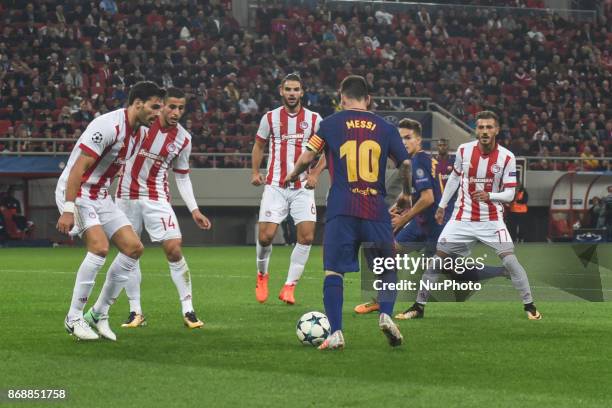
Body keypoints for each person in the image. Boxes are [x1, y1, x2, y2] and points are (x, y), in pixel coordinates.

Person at [285, 75, 412, 350]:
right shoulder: (386, 128)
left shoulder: (329, 125)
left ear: (342, 99)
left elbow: (308, 156)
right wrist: (407, 195)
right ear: (368, 99)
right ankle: (386, 314)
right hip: (375, 209)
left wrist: (292, 175)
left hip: (342, 208)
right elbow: (405, 164)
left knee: (334, 272)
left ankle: (336, 334)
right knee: (387, 268)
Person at [399, 111, 542, 320]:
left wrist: (489, 195)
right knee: (437, 262)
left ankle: (530, 307)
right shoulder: (464, 151)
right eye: (481, 127)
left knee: (510, 262)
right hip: (461, 219)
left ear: (496, 130)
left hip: (491, 220)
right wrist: (442, 205)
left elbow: (510, 194)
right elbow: (455, 179)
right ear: (476, 130)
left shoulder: (507, 157)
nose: (485, 131)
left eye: (489, 127)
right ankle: (418, 307)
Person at [353, 120, 507, 315]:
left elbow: (427, 198)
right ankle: (383, 300)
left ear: (418, 140)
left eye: (408, 138)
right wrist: (392, 211)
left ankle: (500, 271)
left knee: (455, 272)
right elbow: (407, 196)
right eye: (400, 139)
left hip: (438, 226)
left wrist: (401, 219)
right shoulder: (410, 163)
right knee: (385, 251)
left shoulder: (419, 161)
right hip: (420, 225)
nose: (403, 142)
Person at [55, 81, 165, 341]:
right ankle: (73, 317)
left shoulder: (140, 134)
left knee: (134, 248)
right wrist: (68, 209)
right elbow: (77, 170)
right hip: (77, 193)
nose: (157, 114)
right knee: (99, 247)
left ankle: (99, 313)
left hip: (100, 196)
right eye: (154, 107)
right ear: (137, 103)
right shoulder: (108, 126)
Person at [114, 87, 212, 329]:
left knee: (174, 248)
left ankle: (188, 309)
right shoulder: (140, 124)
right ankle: (135, 311)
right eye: (171, 106)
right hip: (125, 197)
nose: (176, 112)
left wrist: (194, 209)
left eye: (181, 108)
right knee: (130, 252)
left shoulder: (183, 138)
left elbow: (182, 176)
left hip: (157, 197)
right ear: (160, 105)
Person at [251, 73, 326, 305]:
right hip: (275, 185)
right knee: (266, 237)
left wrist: (314, 173)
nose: (292, 93)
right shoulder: (270, 118)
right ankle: (262, 275)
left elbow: (329, 151)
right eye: (288, 89)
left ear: (302, 92)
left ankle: (289, 287)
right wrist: (255, 172)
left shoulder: (315, 120)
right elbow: (259, 145)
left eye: (296, 89)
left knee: (307, 237)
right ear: (281, 91)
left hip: (302, 187)